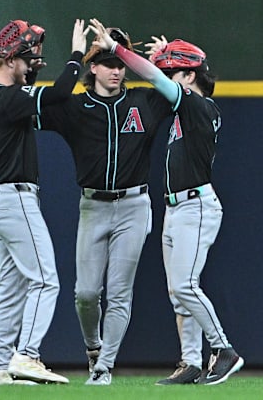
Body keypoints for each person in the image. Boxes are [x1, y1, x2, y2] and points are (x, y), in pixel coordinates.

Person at [89, 18, 244, 386]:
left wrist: (117, 51)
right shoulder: (188, 107)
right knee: (178, 294)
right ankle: (191, 362)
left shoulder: (198, 106)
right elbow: (160, 78)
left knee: (187, 285)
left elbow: (156, 81)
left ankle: (224, 350)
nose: (168, 76)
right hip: (176, 207)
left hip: (197, 205)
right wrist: (162, 56)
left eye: (176, 71)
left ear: (189, 77)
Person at [34, 26, 173, 385]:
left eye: (120, 63)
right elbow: (35, 109)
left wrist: (162, 55)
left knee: (119, 292)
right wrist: (75, 55)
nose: (116, 69)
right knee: (85, 294)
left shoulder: (145, 101)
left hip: (133, 205)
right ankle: (94, 346)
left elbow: (178, 90)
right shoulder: (75, 106)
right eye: (108, 63)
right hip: (93, 206)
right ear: (92, 68)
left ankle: (104, 366)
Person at [0, 18, 89, 386]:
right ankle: (27, 355)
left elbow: (46, 105)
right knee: (46, 280)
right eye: (27, 60)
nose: (31, 67)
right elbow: (57, 94)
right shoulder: (8, 97)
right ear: (9, 61)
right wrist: (76, 55)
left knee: (11, 287)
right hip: (14, 199)